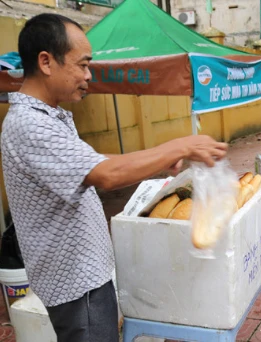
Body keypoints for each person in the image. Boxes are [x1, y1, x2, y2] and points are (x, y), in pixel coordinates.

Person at [1, 13, 228, 342]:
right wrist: (180, 145)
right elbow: (105, 175)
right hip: (76, 286)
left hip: (85, 277)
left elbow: (93, 162)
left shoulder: (48, 117)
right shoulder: (31, 125)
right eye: (82, 64)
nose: (88, 75)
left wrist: (163, 158)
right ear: (47, 62)